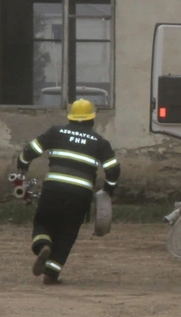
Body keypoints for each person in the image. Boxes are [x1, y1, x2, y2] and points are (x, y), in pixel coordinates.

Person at [15, 98, 120, 285]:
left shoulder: (56, 132)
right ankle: (51, 274)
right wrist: (108, 190)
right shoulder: (100, 142)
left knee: (43, 222)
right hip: (80, 195)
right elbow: (113, 170)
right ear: (92, 119)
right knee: (68, 233)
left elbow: (30, 150)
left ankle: (43, 245)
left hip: (53, 189)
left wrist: (22, 165)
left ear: (70, 117)